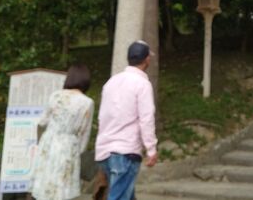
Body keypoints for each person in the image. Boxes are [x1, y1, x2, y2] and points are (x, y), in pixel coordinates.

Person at [95, 40, 158, 200]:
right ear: (147, 59)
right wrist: (151, 148)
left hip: (105, 152)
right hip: (125, 152)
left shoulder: (111, 82)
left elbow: (102, 116)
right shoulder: (142, 84)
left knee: (126, 195)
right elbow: (146, 118)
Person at [31, 64, 94, 200]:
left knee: (44, 185)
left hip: (48, 142)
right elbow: (84, 132)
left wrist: (42, 141)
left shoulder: (55, 95)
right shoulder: (87, 102)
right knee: (62, 189)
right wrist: (78, 151)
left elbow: (42, 122)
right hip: (68, 145)